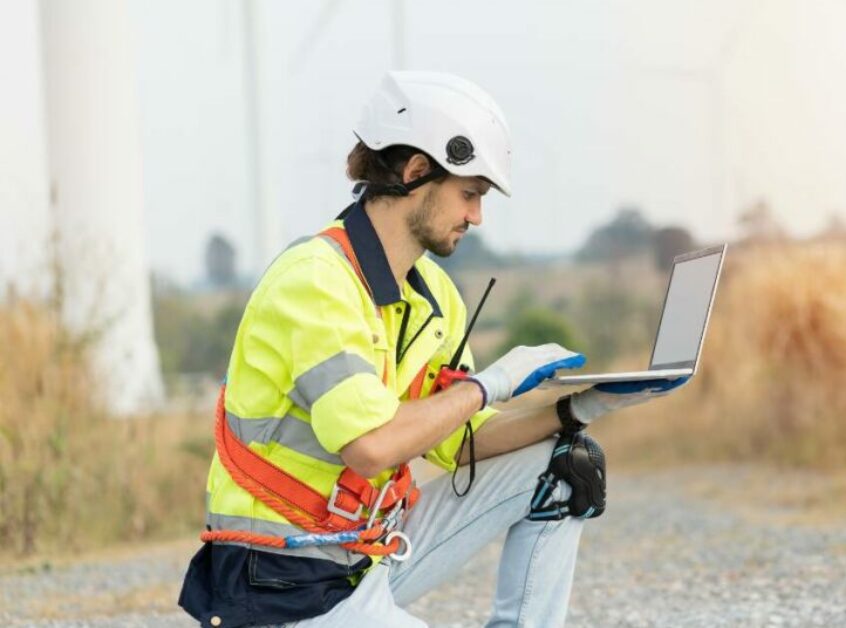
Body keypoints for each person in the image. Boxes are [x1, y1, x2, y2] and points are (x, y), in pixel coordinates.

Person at [178, 71, 687, 628]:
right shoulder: (315, 281)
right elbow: (371, 447)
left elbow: (457, 442)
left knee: (564, 464)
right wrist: (485, 384)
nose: (477, 216)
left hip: (360, 554)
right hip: (277, 580)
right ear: (416, 172)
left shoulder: (436, 297)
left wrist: (581, 408)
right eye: (469, 194)